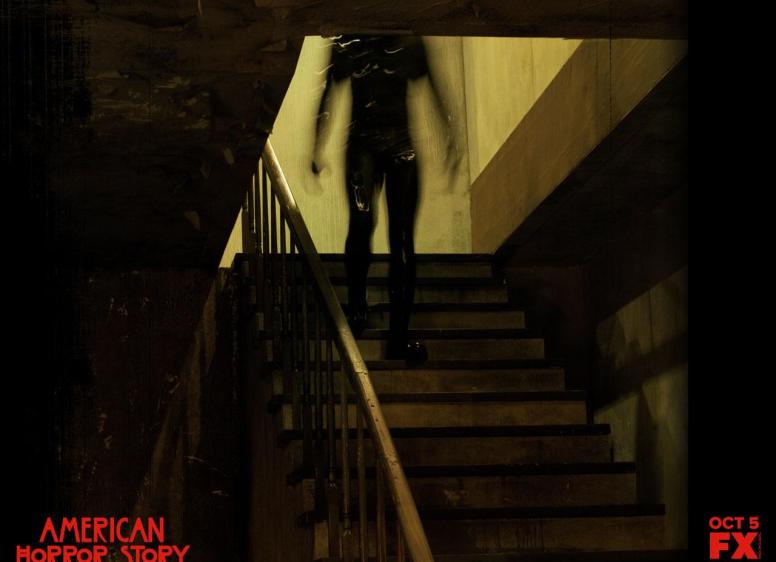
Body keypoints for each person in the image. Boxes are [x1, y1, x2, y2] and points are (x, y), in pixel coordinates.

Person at [311, 34, 456, 361]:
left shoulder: (401, 40)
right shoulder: (353, 40)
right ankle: (359, 309)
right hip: (367, 144)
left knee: (398, 238)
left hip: (395, 145)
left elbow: (434, 88)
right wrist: (316, 143)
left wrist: (451, 136)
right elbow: (328, 90)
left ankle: (394, 333)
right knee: (365, 224)